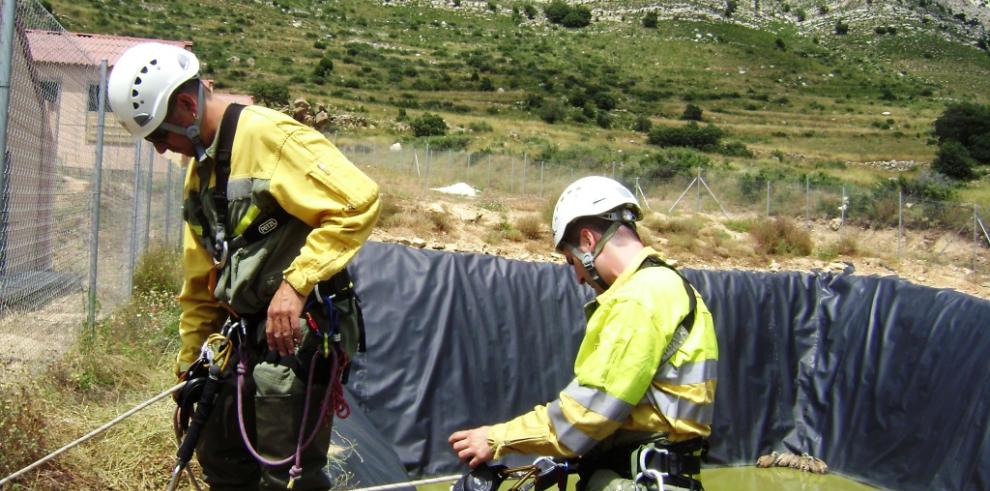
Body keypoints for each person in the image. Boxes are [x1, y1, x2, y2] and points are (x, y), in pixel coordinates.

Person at [107, 42, 380, 490]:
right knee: (222, 463)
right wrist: (188, 367)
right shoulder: (199, 175)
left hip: (293, 341)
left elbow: (358, 202)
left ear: (187, 105)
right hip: (239, 339)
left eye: (160, 136)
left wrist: (296, 285)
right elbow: (199, 285)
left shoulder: (268, 136)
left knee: (286, 476)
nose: (160, 150)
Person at [448, 176, 718, 490]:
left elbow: (588, 414)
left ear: (588, 242)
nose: (577, 277)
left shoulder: (640, 297)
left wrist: (496, 439)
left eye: (572, 261)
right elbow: (639, 410)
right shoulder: (669, 286)